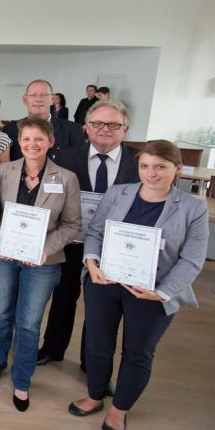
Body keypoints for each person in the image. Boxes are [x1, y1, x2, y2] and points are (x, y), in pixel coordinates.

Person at [69, 140, 208, 430]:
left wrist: (162, 293)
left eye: (160, 167)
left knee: (137, 352)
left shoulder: (193, 208)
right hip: (105, 282)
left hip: (152, 292)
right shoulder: (118, 193)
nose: (151, 173)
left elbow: (192, 260)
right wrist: (91, 262)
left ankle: (119, 409)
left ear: (177, 169)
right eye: (145, 166)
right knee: (97, 343)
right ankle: (94, 396)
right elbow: (95, 232)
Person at [0, 118, 82, 411]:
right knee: (1, 314)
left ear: (50, 142)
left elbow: (72, 224)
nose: (32, 144)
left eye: (39, 139)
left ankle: (22, 380)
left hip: (43, 262)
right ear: (19, 142)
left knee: (28, 324)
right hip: (5, 256)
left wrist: (45, 250)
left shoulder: (66, 178)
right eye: (26, 139)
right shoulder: (5, 171)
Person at [38, 101, 140, 370]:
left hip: (115, 247)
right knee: (63, 297)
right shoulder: (65, 157)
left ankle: (92, 362)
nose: (105, 129)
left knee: (103, 309)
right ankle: (53, 348)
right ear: (86, 127)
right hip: (71, 241)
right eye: (97, 123)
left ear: (125, 129)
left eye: (114, 124)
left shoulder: (139, 162)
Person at [3, 79, 85, 161]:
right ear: (25, 100)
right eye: (33, 95)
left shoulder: (73, 130)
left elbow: (77, 162)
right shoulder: (10, 130)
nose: (38, 99)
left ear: (52, 99)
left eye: (44, 95)